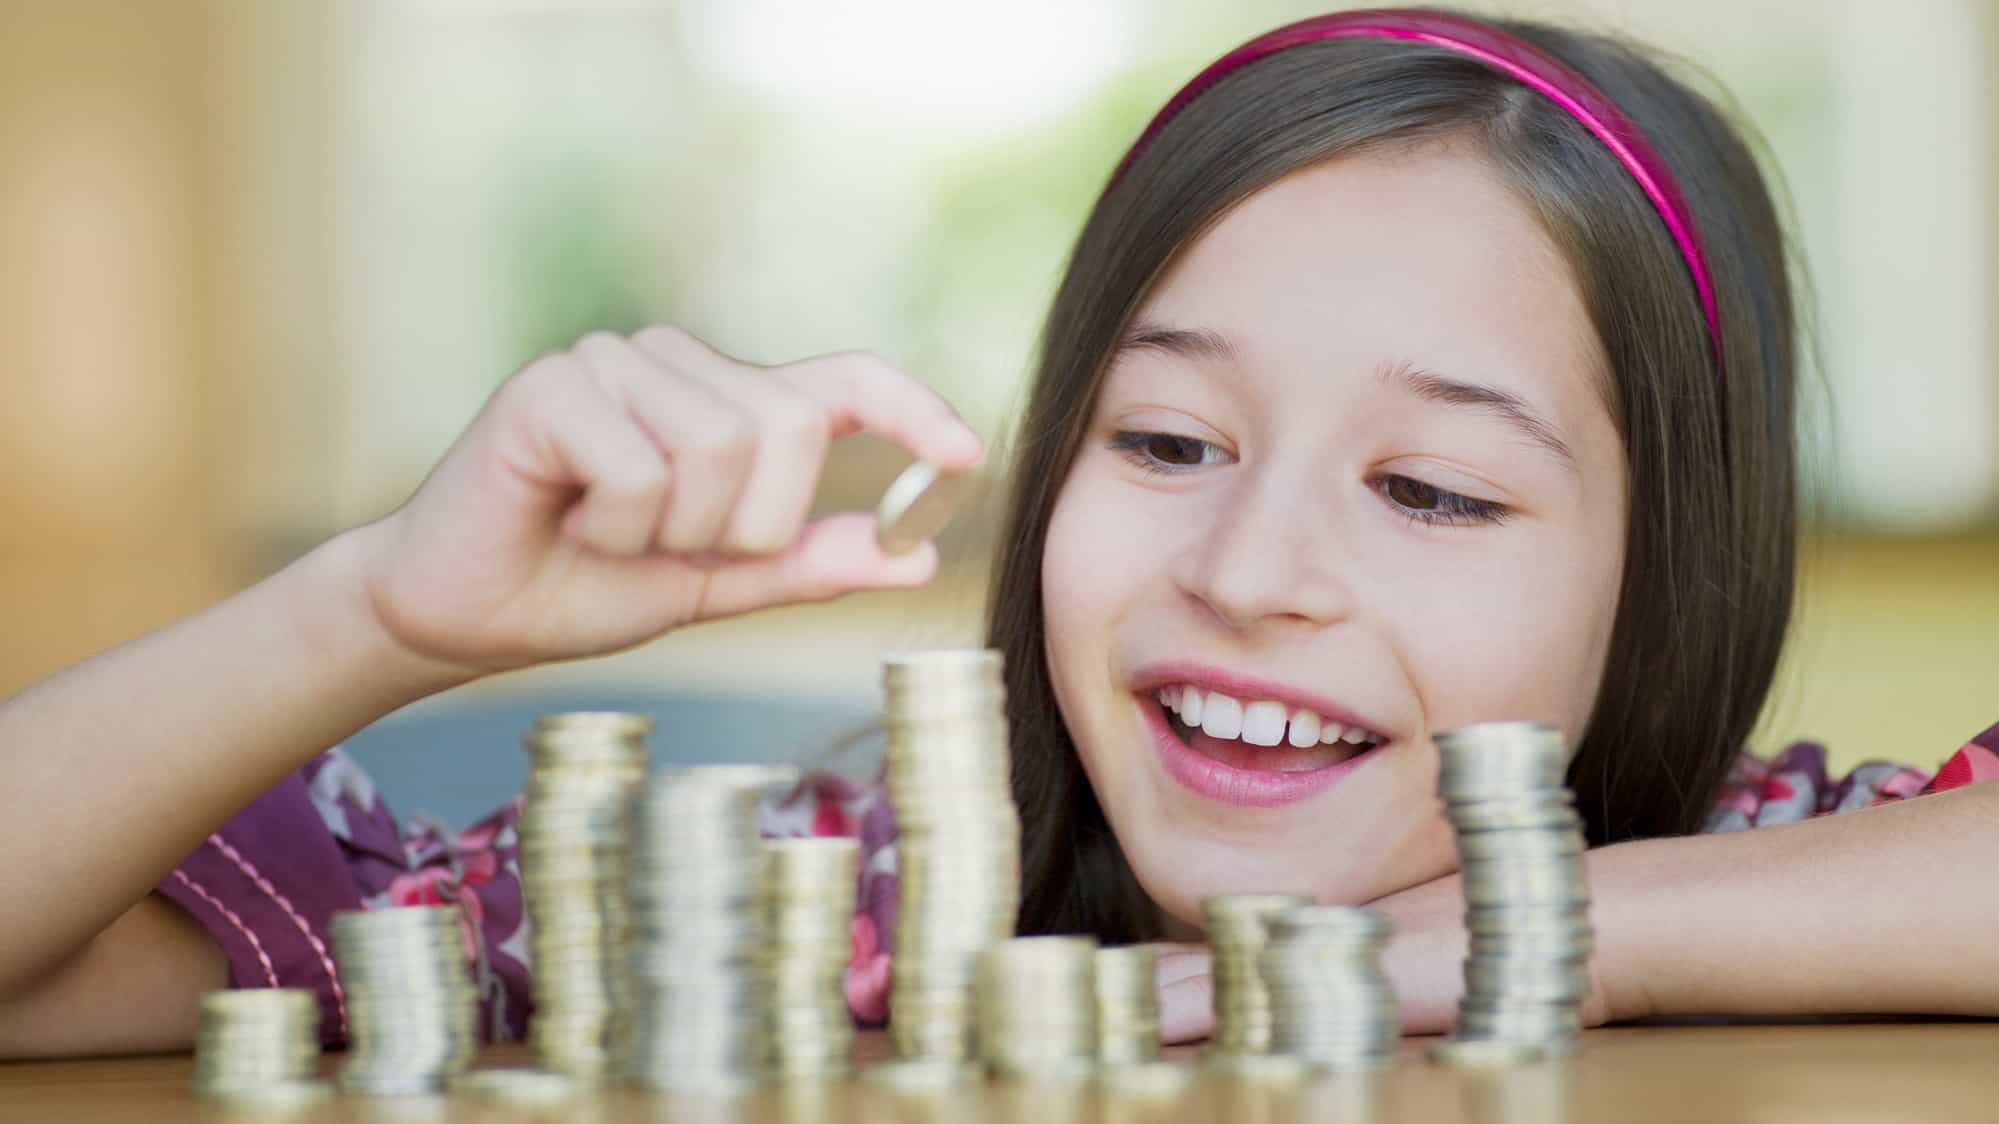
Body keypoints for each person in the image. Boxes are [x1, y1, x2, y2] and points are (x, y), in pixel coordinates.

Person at [2, 6, 1995, 1060]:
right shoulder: (810, 911)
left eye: (1430, 487)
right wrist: (374, 604)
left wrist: (1561, 939)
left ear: (1668, 574)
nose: (1248, 569)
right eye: (1164, 437)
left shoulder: (1781, 877)